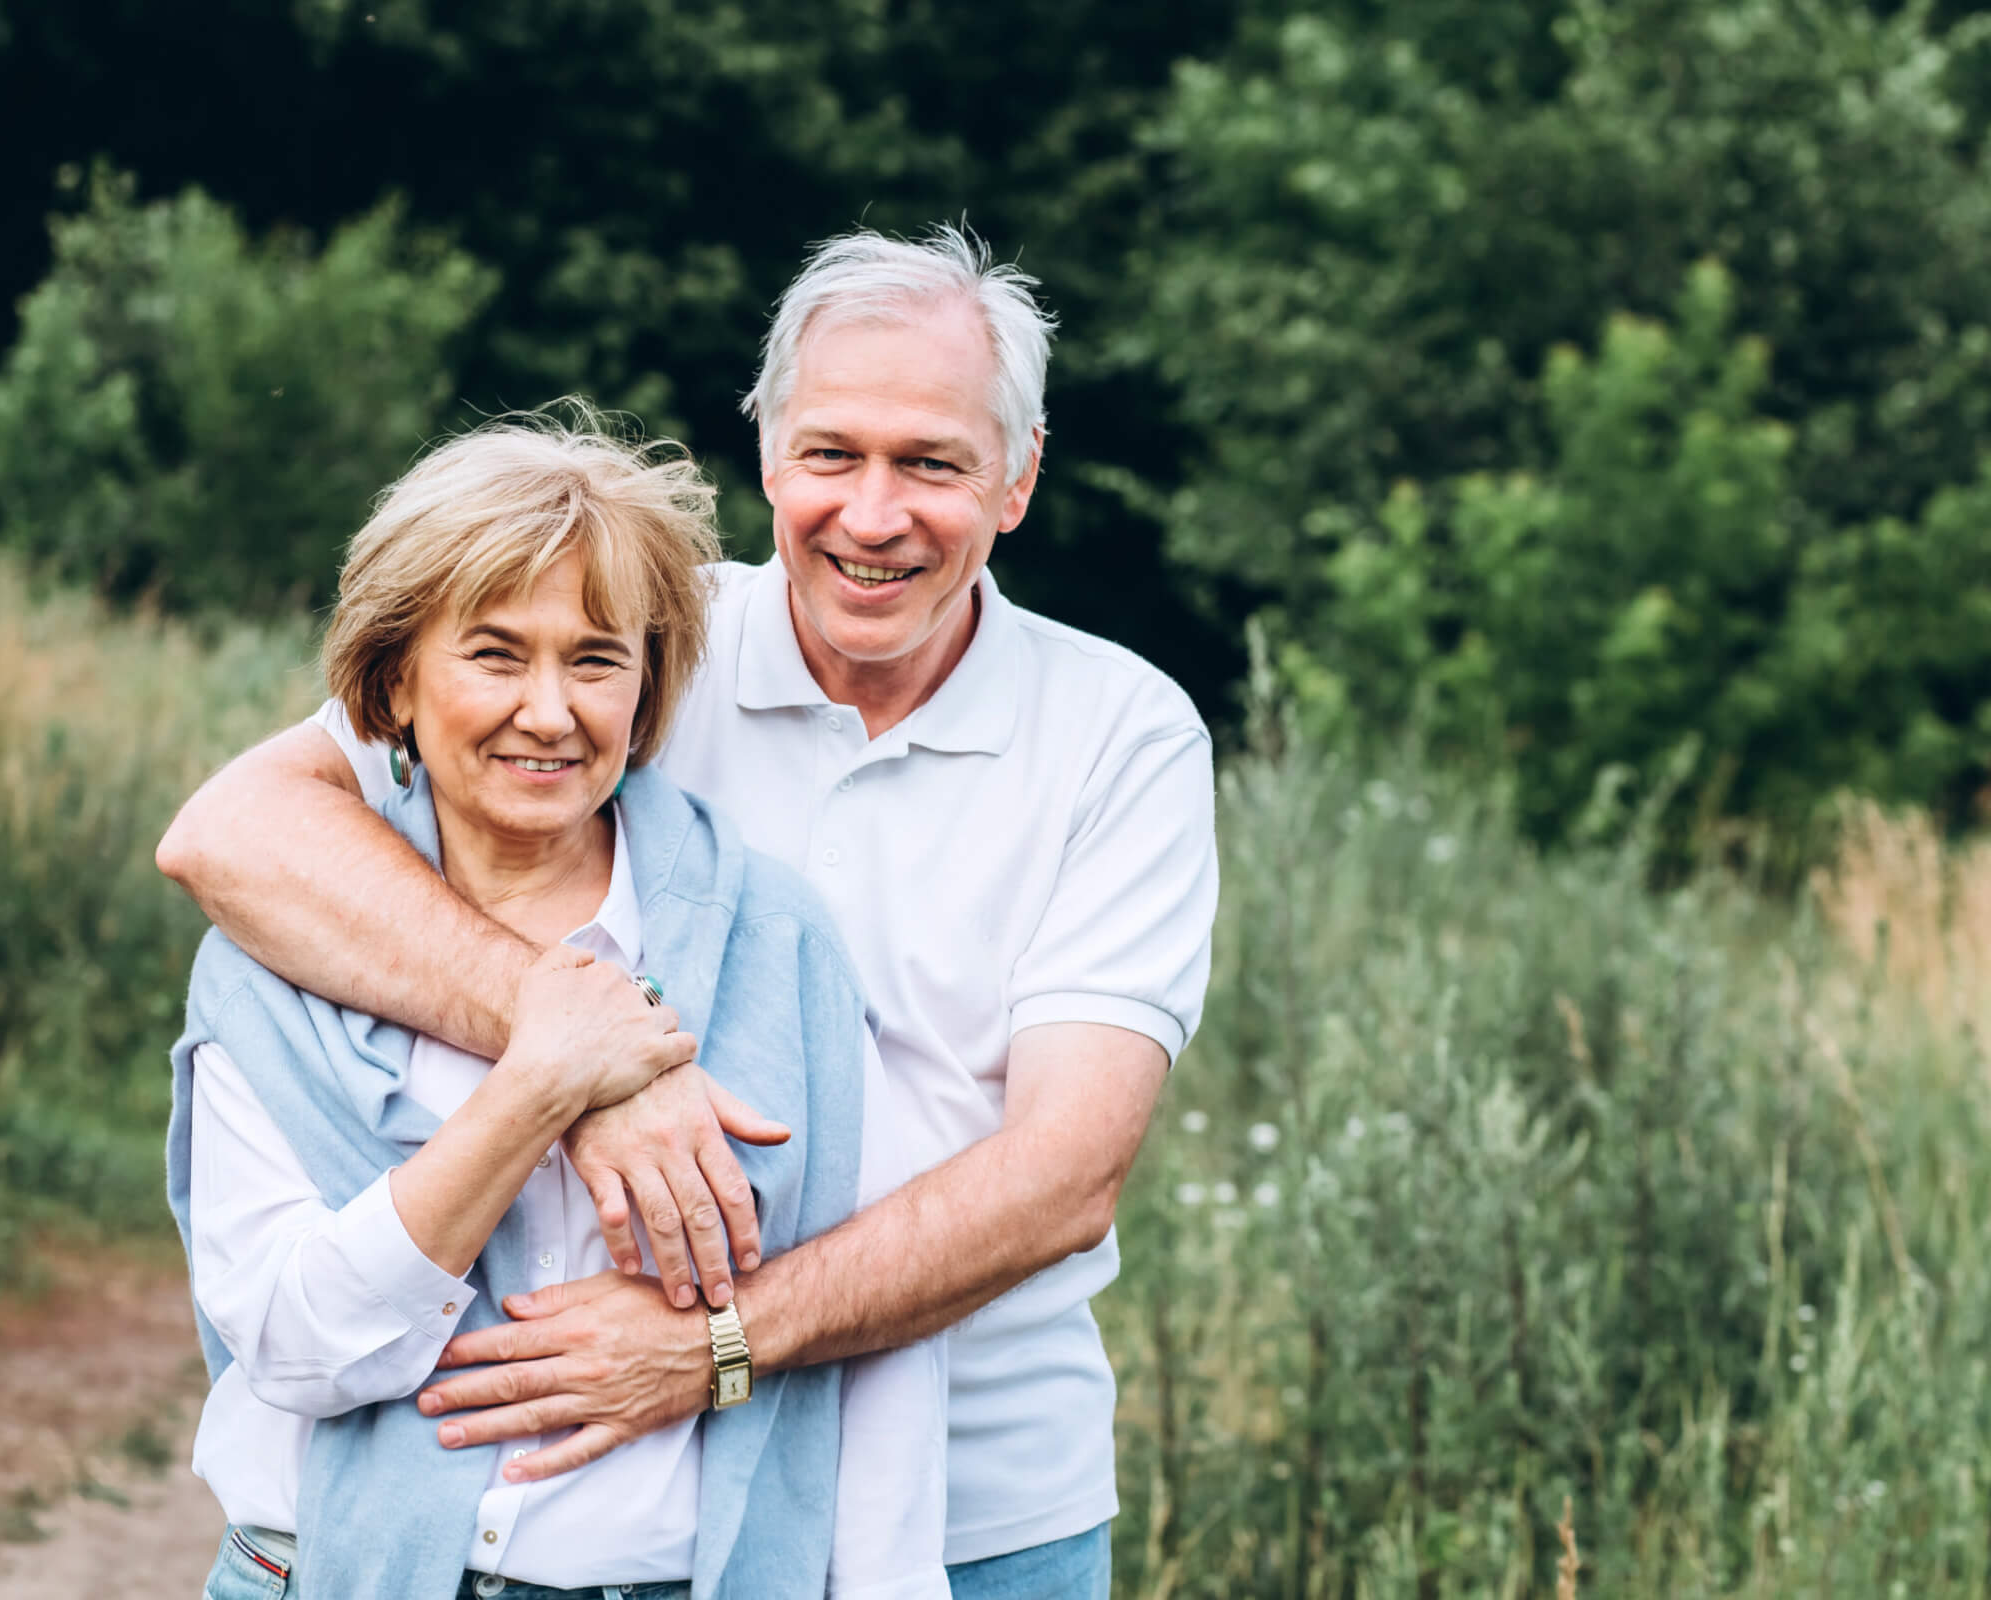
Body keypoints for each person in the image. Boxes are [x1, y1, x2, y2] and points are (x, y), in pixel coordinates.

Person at [158, 225, 1219, 1597]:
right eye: (832, 453)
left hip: (983, 1496)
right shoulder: (625, 639)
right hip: (583, 1510)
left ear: (1016, 478)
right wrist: (588, 1060)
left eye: (933, 463)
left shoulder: (1118, 733)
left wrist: (710, 1346)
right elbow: (235, 831)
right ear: (769, 454)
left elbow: (1064, 1172)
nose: (874, 512)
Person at [163, 415, 950, 1600]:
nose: (550, 710)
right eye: (493, 655)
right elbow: (297, 1345)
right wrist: (549, 1081)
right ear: (394, 682)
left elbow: (881, 1356)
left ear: (645, 690)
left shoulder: (780, 945)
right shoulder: (273, 956)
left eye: (595, 660)